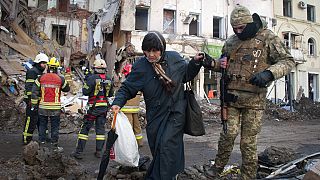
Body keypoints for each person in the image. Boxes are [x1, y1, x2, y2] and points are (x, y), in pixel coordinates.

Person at [202, 4, 295, 180]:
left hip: (254, 101)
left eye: (241, 28)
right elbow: (224, 66)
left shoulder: (267, 37)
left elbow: (288, 61)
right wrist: (209, 62)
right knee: (227, 136)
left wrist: (269, 74)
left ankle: (248, 176)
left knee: (247, 143)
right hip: (232, 99)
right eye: (234, 28)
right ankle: (217, 169)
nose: (238, 31)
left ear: (249, 23)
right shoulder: (231, 42)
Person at [111, 31, 204, 179]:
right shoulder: (141, 67)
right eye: (147, 51)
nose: (151, 55)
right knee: (158, 148)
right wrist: (117, 103)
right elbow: (128, 88)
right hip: (155, 116)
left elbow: (186, 75)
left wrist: (195, 63)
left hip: (175, 112)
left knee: (167, 146)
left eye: (154, 51)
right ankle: (171, 175)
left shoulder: (174, 59)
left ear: (162, 49)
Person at [71, 58, 114, 159]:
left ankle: (79, 152)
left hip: (93, 108)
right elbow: (111, 94)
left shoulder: (91, 78)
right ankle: (99, 152)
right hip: (104, 108)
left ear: (95, 68)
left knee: (85, 129)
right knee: (100, 130)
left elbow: (85, 91)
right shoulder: (109, 79)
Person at [31, 57, 70, 151]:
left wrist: (34, 105)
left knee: (42, 125)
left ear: (48, 67)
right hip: (55, 108)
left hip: (42, 106)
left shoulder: (40, 78)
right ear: (57, 68)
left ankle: (41, 144)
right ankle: (54, 145)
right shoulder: (61, 79)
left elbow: (34, 92)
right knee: (55, 126)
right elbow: (67, 89)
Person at [22, 53, 49, 145]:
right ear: (38, 63)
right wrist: (30, 100)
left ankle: (44, 138)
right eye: (43, 63)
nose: (45, 65)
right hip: (31, 101)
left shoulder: (40, 73)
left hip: (38, 100)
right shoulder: (32, 72)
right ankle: (26, 139)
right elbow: (29, 87)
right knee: (31, 120)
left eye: (45, 63)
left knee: (40, 120)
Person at [120, 64, 144, 147]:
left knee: (128, 128)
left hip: (126, 111)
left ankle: (129, 145)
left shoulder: (125, 84)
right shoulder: (139, 84)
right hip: (135, 110)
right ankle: (139, 142)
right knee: (137, 127)